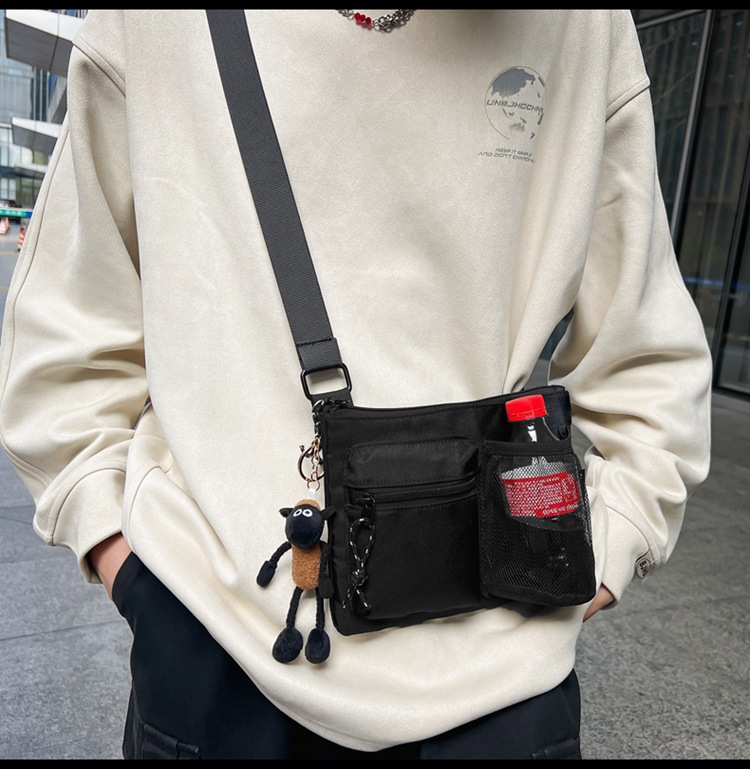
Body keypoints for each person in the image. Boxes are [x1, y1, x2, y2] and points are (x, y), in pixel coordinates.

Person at [0, 9, 713, 760]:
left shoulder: (582, 25)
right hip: (213, 648)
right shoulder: (152, 24)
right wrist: (135, 573)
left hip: (504, 676)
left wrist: (607, 548)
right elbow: (68, 333)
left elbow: (647, 361)